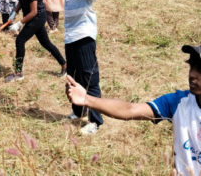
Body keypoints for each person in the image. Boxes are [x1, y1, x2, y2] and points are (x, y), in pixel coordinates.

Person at [66, 45, 201, 174]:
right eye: (192, 67)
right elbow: (130, 109)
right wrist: (87, 100)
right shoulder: (179, 103)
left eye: (200, 69)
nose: (192, 74)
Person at [5, 0, 66, 82]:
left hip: (37, 18)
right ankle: (64, 65)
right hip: (32, 17)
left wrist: (19, 23)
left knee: (20, 40)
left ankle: (18, 72)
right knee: (46, 43)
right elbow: (21, 1)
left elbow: (33, 12)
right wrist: (14, 13)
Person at [62, 0, 102, 134]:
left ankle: (95, 121)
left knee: (89, 79)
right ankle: (78, 111)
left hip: (84, 39)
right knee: (73, 78)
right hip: (71, 40)